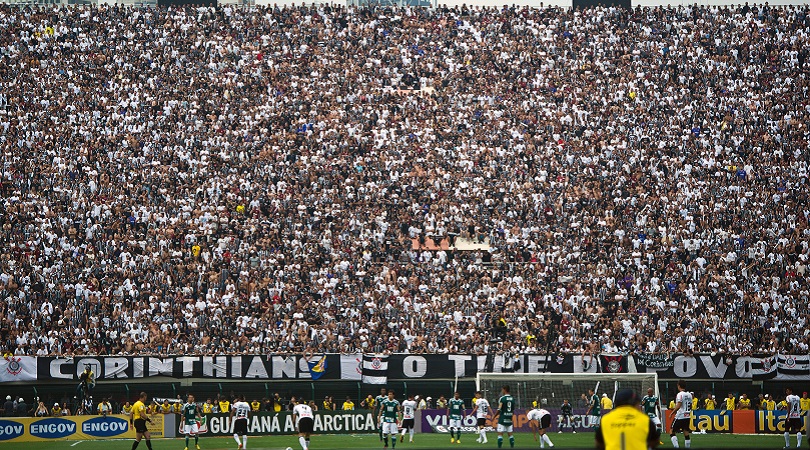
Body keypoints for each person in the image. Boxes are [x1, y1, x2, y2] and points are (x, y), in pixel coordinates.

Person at [595, 389, 661, 450]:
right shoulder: (645, 420)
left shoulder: (606, 419)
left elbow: (599, 443)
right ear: (635, 403)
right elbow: (654, 442)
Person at [669, 380, 693, 449]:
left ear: (678, 386)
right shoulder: (689, 395)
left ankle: (676, 447)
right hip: (687, 415)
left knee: (671, 431)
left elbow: (678, 405)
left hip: (680, 416)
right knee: (686, 432)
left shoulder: (680, 394)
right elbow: (691, 406)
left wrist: (672, 413)